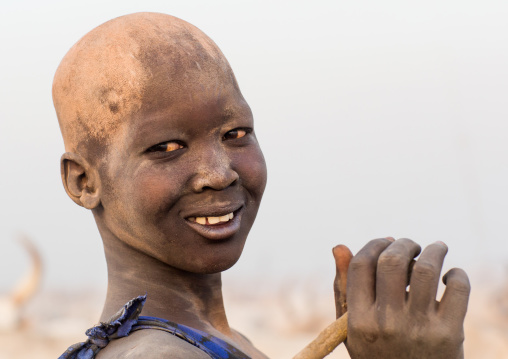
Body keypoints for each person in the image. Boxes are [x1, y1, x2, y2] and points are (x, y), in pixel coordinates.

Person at [53, 12, 470, 359]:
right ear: (84, 181)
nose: (219, 173)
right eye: (167, 147)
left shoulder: (223, 343)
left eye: (235, 133)